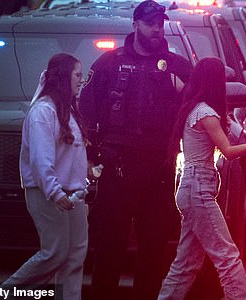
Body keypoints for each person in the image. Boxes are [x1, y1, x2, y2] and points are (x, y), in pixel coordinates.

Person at [78, 1, 193, 298]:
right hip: (118, 170)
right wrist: (92, 158)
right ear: (135, 25)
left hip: (160, 171)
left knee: (154, 250)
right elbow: (86, 114)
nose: (157, 28)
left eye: (160, 23)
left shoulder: (178, 67)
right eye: (150, 23)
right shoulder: (108, 64)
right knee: (109, 248)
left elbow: (199, 112)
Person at [158, 57, 246, 300]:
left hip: (191, 187)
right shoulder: (206, 113)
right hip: (199, 190)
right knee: (227, 256)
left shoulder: (194, 109)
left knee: (186, 264)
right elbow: (228, 151)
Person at [1, 53, 89, 300]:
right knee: (55, 253)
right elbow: (41, 160)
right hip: (50, 195)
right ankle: (5, 293)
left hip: (73, 196)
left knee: (74, 257)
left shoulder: (67, 111)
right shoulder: (43, 112)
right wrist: (55, 192)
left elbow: (70, 156)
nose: (81, 80)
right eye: (77, 75)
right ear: (63, 78)